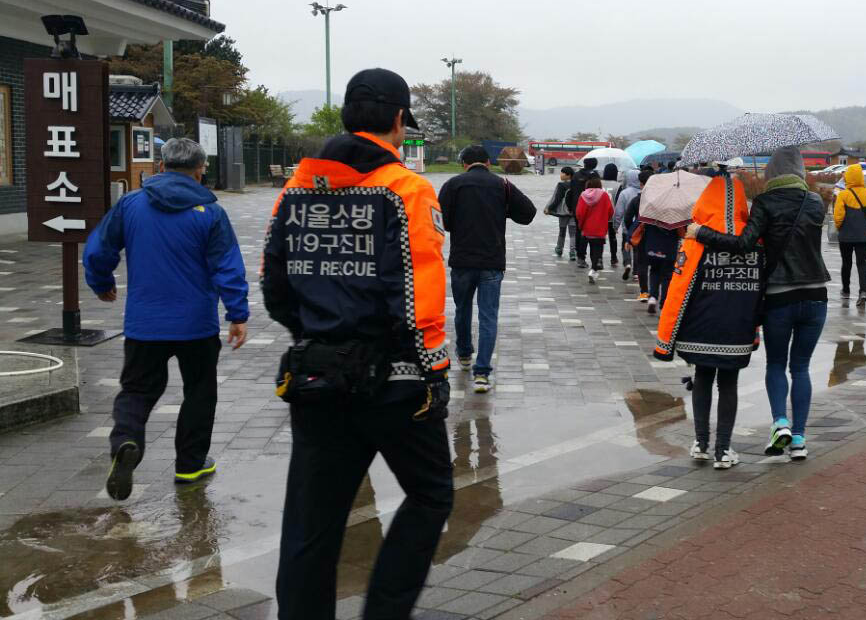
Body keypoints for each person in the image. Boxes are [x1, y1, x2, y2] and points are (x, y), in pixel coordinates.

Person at [260, 68, 454, 620]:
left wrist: (315, 333)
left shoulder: (297, 188)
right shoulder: (405, 189)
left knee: (310, 522)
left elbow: (274, 286)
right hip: (395, 381)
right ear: (398, 121)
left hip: (318, 375)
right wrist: (433, 372)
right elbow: (419, 295)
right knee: (431, 494)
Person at [84, 138, 248, 501]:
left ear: (161, 166)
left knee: (138, 390)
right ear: (200, 169)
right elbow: (227, 266)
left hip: (145, 323)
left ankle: (126, 440)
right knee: (199, 392)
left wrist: (102, 282)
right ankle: (190, 465)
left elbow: (98, 249)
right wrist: (237, 314)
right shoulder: (211, 213)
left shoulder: (131, 204)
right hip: (196, 325)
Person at [690, 147, 828, 461]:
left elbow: (743, 244)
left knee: (777, 364)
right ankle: (799, 440)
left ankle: (779, 421)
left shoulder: (766, 203)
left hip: (780, 296)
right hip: (817, 295)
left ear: (772, 173)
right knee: (802, 367)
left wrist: (702, 233)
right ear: (801, 170)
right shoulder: (817, 202)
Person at [655, 169, 759, 469]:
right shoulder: (754, 238)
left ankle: (700, 443)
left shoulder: (694, 237)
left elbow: (677, 288)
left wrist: (666, 339)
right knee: (729, 384)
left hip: (699, 325)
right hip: (736, 327)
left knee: (702, 379)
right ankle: (724, 450)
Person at [438, 145, 536, 392]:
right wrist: (502, 210)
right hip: (492, 261)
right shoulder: (502, 185)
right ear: (488, 162)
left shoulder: (453, 185)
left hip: (462, 260)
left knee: (462, 309)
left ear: (464, 164)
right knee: (488, 316)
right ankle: (482, 374)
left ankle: (464, 354)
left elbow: (441, 221)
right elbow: (528, 214)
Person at [833, 164, 866, 305]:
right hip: (863, 236)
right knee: (862, 263)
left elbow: (838, 217)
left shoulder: (843, 195)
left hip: (846, 236)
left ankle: (846, 289)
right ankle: (863, 292)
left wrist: (841, 227)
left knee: (846, 263)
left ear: (847, 177)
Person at [575, 177, 614, 283]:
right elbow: (610, 211)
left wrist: (581, 224)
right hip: (600, 228)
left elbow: (579, 212)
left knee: (588, 246)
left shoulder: (583, 195)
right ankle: (593, 269)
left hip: (587, 228)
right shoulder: (604, 195)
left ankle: (591, 266)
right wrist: (605, 219)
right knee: (597, 249)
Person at [623, 169, 653, 300]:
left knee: (642, 264)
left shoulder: (636, 200)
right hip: (660, 236)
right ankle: (656, 293)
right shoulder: (662, 199)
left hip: (642, 235)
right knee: (657, 266)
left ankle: (644, 292)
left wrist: (632, 232)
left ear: (641, 184)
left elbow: (627, 218)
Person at [569, 157, 600, 268]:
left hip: (577, 208)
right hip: (591, 209)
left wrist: (571, 207)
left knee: (579, 232)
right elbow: (598, 192)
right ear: (594, 165)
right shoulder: (594, 175)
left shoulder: (576, 175)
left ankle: (580, 257)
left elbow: (570, 192)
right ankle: (596, 259)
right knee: (591, 234)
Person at [614, 169, 643, 280]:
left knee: (625, 245)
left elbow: (619, 211)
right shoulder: (643, 192)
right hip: (641, 226)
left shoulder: (624, 193)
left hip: (628, 226)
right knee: (637, 249)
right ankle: (636, 273)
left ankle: (627, 264)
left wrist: (616, 225)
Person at [546, 166, 577, 260]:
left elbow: (557, 199)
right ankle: (573, 252)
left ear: (568, 175)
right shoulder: (577, 184)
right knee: (573, 233)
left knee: (562, 231)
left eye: (562, 173)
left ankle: (559, 249)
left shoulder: (561, 185)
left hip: (563, 212)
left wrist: (549, 208)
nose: (561, 175)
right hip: (574, 212)